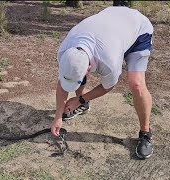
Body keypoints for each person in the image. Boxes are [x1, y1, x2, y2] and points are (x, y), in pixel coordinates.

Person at [51, 6, 154, 159]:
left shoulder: (108, 61)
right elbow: (63, 80)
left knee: (136, 84)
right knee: (73, 73)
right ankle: (83, 106)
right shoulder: (65, 52)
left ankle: (145, 133)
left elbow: (108, 85)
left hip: (137, 29)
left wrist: (80, 99)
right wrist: (58, 116)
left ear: (89, 68)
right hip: (112, 22)